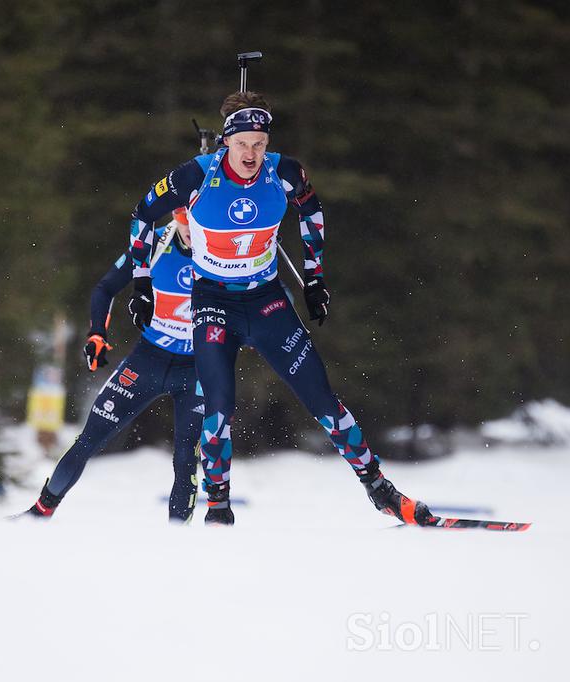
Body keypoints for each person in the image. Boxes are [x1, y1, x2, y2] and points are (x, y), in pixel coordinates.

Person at [127, 92, 435, 526]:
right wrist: (142, 283)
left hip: (266, 300)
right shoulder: (195, 176)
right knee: (218, 407)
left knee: (322, 399)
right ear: (226, 145)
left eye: (259, 143)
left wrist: (315, 277)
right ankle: (218, 508)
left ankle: (380, 489)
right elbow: (142, 214)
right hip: (214, 301)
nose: (251, 153)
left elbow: (311, 211)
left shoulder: (284, 172)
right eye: (242, 144)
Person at [22, 208, 203, 522]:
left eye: (202, 226)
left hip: (197, 368)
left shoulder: (226, 252)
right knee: (90, 437)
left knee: (187, 458)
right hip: (148, 359)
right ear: (177, 218)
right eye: (187, 224)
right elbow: (105, 287)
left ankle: (179, 541)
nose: (194, 233)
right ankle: (40, 512)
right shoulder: (154, 244)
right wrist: (96, 333)